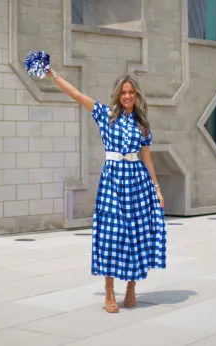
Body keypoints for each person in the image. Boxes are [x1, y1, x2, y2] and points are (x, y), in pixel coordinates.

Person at [46, 69, 166, 313]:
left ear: (137, 95)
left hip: (138, 182)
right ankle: (109, 290)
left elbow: (148, 160)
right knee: (111, 235)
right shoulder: (106, 114)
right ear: (117, 95)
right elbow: (76, 94)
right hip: (112, 180)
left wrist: (157, 189)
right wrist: (52, 75)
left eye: (131, 92)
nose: (128, 96)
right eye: (124, 92)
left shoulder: (142, 125)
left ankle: (131, 287)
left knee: (136, 235)